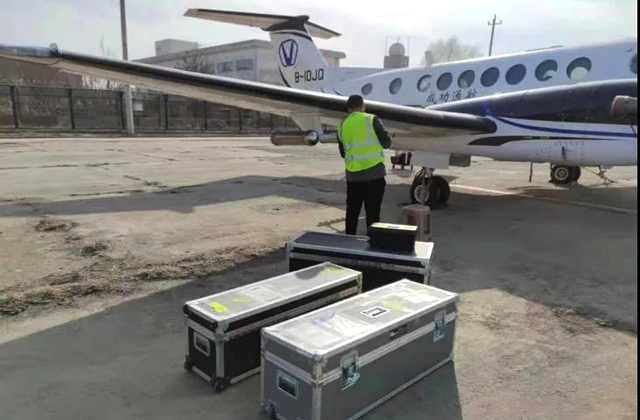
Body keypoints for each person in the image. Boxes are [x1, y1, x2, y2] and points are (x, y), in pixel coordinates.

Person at [338, 94, 392, 235]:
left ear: (348, 109)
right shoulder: (372, 119)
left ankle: (349, 241)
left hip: (353, 177)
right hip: (374, 175)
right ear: (363, 106)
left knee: (352, 212)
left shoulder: (343, 125)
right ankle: (372, 243)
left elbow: (343, 153)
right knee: (373, 214)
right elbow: (386, 143)